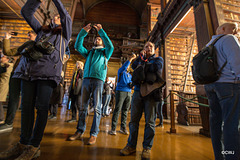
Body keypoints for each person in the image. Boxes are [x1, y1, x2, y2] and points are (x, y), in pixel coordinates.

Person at [0, 0, 72, 159]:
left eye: (59, 16)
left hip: (47, 74)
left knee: (41, 109)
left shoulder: (64, 34)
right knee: (25, 108)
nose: (57, 17)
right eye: (55, 16)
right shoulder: (41, 30)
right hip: (28, 72)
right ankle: (23, 143)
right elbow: (26, 12)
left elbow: (66, 16)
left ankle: (34, 146)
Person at [69, 23, 114, 145]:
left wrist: (101, 31)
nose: (97, 39)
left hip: (98, 81)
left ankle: (94, 134)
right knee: (83, 107)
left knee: (98, 108)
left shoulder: (105, 52)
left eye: (99, 39)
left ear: (102, 42)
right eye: (96, 38)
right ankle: (79, 131)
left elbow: (111, 46)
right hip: (86, 80)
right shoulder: (89, 53)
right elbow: (78, 46)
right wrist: (83, 32)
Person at [120, 42, 164, 159]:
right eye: (146, 47)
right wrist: (141, 59)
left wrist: (143, 64)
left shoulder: (158, 59)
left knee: (150, 122)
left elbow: (156, 69)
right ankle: (131, 146)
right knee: (133, 121)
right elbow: (134, 68)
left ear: (154, 50)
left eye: (151, 47)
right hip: (138, 92)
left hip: (151, 93)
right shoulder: (140, 59)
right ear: (143, 49)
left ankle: (147, 148)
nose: (148, 48)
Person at [204, 22, 240, 160]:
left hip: (211, 87)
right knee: (231, 124)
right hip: (228, 86)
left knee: (216, 125)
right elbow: (238, 64)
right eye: (234, 29)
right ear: (224, 29)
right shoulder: (229, 39)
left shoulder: (209, 44)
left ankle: (220, 156)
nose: (236, 32)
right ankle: (231, 157)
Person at [0, 31, 37, 133]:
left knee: (27, 103)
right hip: (16, 74)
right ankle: (8, 123)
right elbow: (8, 52)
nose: (28, 36)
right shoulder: (25, 46)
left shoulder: (39, 46)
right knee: (13, 99)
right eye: (28, 34)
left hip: (28, 76)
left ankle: (27, 130)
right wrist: (6, 38)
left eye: (30, 34)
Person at [108, 54, 136, 136]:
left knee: (125, 111)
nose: (128, 67)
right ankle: (113, 129)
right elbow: (125, 66)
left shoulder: (130, 75)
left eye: (128, 65)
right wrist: (130, 59)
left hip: (129, 93)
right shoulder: (120, 71)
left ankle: (123, 128)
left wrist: (132, 85)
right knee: (117, 110)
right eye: (127, 65)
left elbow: (131, 83)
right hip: (120, 92)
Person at [0, 55, 14, 124]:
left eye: (3, 57)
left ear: (7, 59)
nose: (1, 58)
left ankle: (1, 119)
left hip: (2, 86)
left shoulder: (7, 66)